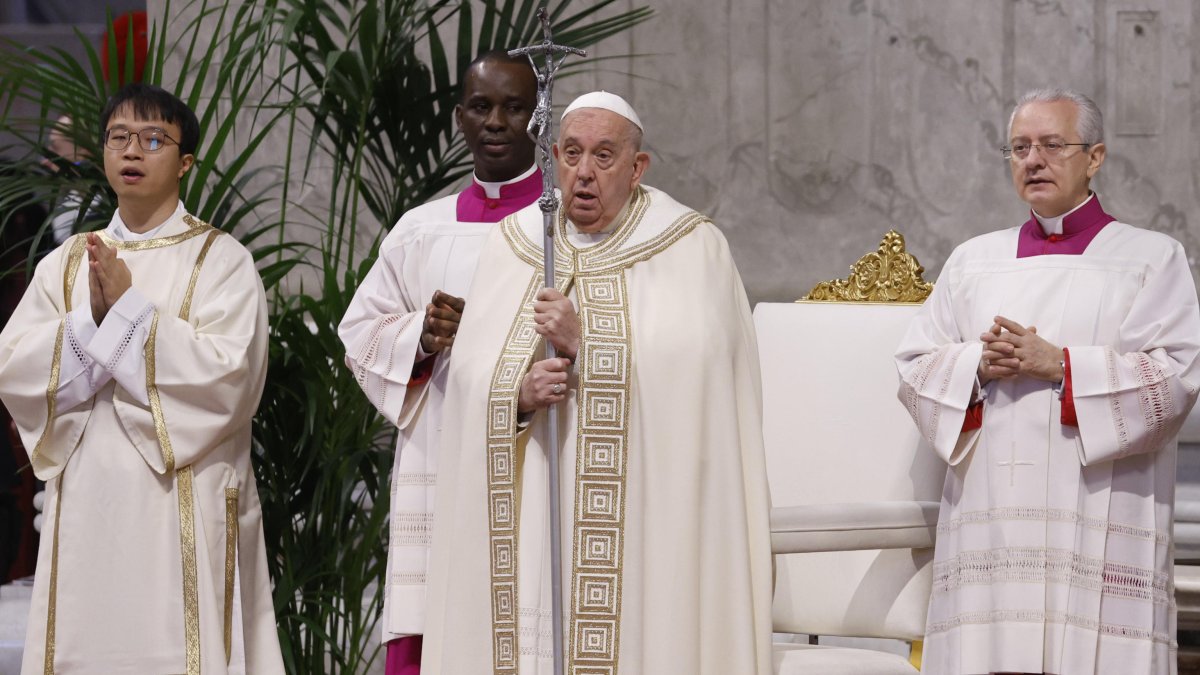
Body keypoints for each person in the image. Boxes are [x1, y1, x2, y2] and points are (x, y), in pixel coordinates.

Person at [421, 91, 773, 674]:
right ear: (554, 156)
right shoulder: (515, 245)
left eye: (605, 157)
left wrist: (589, 346)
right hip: (534, 499)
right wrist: (518, 394)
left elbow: (703, 381)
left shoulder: (690, 245)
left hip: (647, 516)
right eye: (573, 154)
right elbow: (471, 379)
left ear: (638, 168)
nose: (584, 174)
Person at [896, 88, 1200, 675]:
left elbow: (1176, 377)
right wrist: (975, 367)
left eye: (1052, 145)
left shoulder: (1150, 258)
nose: (1032, 160)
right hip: (994, 514)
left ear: (1096, 156)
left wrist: (1058, 365)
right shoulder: (972, 262)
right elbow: (913, 366)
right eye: (1019, 148)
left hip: (1097, 508)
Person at [0, 83, 284, 674]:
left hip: (182, 498)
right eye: (119, 138)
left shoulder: (221, 260)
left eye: (153, 139)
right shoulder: (68, 261)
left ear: (184, 162)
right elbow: (16, 367)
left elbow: (232, 378)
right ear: (103, 153)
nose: (133, 151)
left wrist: (129, 314)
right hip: (87, 500)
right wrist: (91, 322)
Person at [337, 49, 541, 674]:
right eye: (481, 107)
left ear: (539, 118)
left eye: (514, 107)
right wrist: (421, 337)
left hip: (536, 454)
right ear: (460, 118)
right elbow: (360, 332)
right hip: (442, 446)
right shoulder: (422, 230)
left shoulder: (566, 226)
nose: (497, 122)